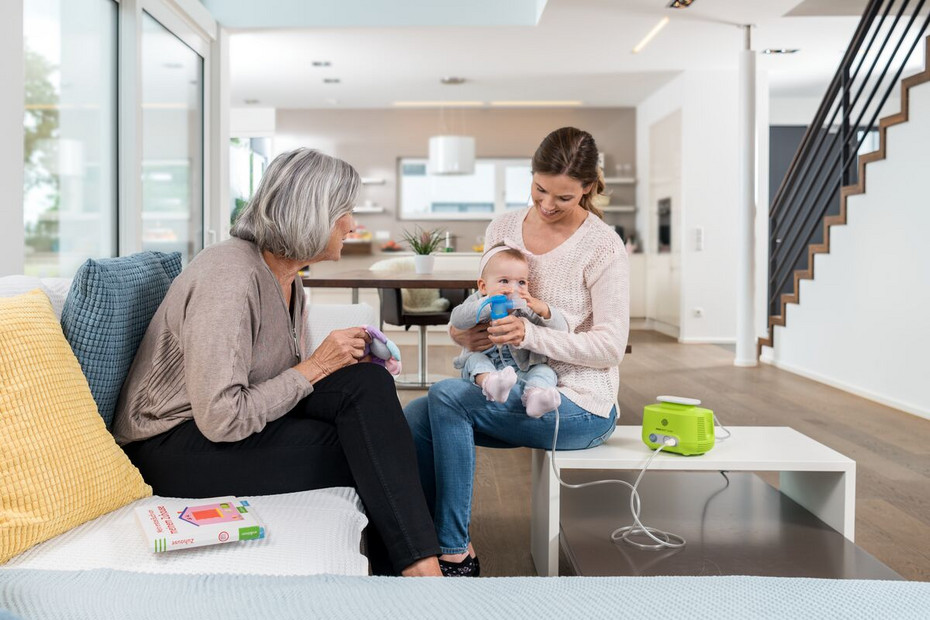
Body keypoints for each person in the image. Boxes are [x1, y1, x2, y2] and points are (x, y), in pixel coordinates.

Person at [113, 148, 442, 577]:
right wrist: (318, 366)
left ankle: (418, 569)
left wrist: (339, 364)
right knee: (372, 452)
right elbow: (221, 417)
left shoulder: (287, 278)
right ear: (310, 213)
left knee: (367, 385)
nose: (352, 224)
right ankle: (422, 580)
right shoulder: (229, 278)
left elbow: (271, 379)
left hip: (217, 430)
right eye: (343, 211)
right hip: (171, 445)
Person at [404, 127, 629, 577]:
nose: (547, 205)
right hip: (511, 382)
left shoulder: (604, 245)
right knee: (417, 415)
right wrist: (464, 334)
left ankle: (453, 552)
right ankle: (419, 539)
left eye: (563, 197)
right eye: (540, 189)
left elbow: (610, 347)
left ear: (588, 187)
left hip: (579, 403)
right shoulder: (503, 227)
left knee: (447, 398)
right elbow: (479, 302)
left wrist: (528, 335)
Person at [449, 243, 566, 418]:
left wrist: (543, 309)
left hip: (521, 370)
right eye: (504, 281)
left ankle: (536, 396)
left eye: (521, 282)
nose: (513, 289)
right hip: (485, 367)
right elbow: (457, 319)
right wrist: (488, 303)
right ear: (483, 286)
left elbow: (561, 329)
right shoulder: (478, 301)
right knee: (475, 359)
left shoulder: (525, 307)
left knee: (544, 371)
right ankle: (492, 384)